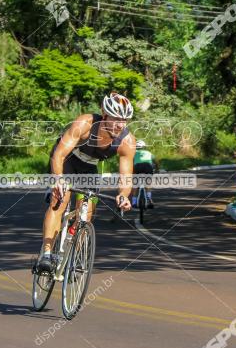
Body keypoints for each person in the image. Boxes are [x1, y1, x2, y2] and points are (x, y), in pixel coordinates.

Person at [36, 93, 135, 276]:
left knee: (86, 213)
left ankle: (74, 257)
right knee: (59, 201)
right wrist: (59, 180)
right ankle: (47, 255)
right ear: (104, 116)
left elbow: (126, 177)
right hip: (67, 160)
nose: (120, 125)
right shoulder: (85, 124)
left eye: (124, 120)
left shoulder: (127, 141)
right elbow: (59, 155)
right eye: (116, 119)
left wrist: (123, 195)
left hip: (89, 168)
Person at [131, 139, 157, 209]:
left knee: (135, 185)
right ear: (144, 147)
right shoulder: (149, 153)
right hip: (147, 166)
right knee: (148, 183)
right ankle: (149, 199)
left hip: (137, 167)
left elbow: (131, 163)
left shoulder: (133, 153)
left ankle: (134, 202)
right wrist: (157, 169)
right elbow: (155, 161)